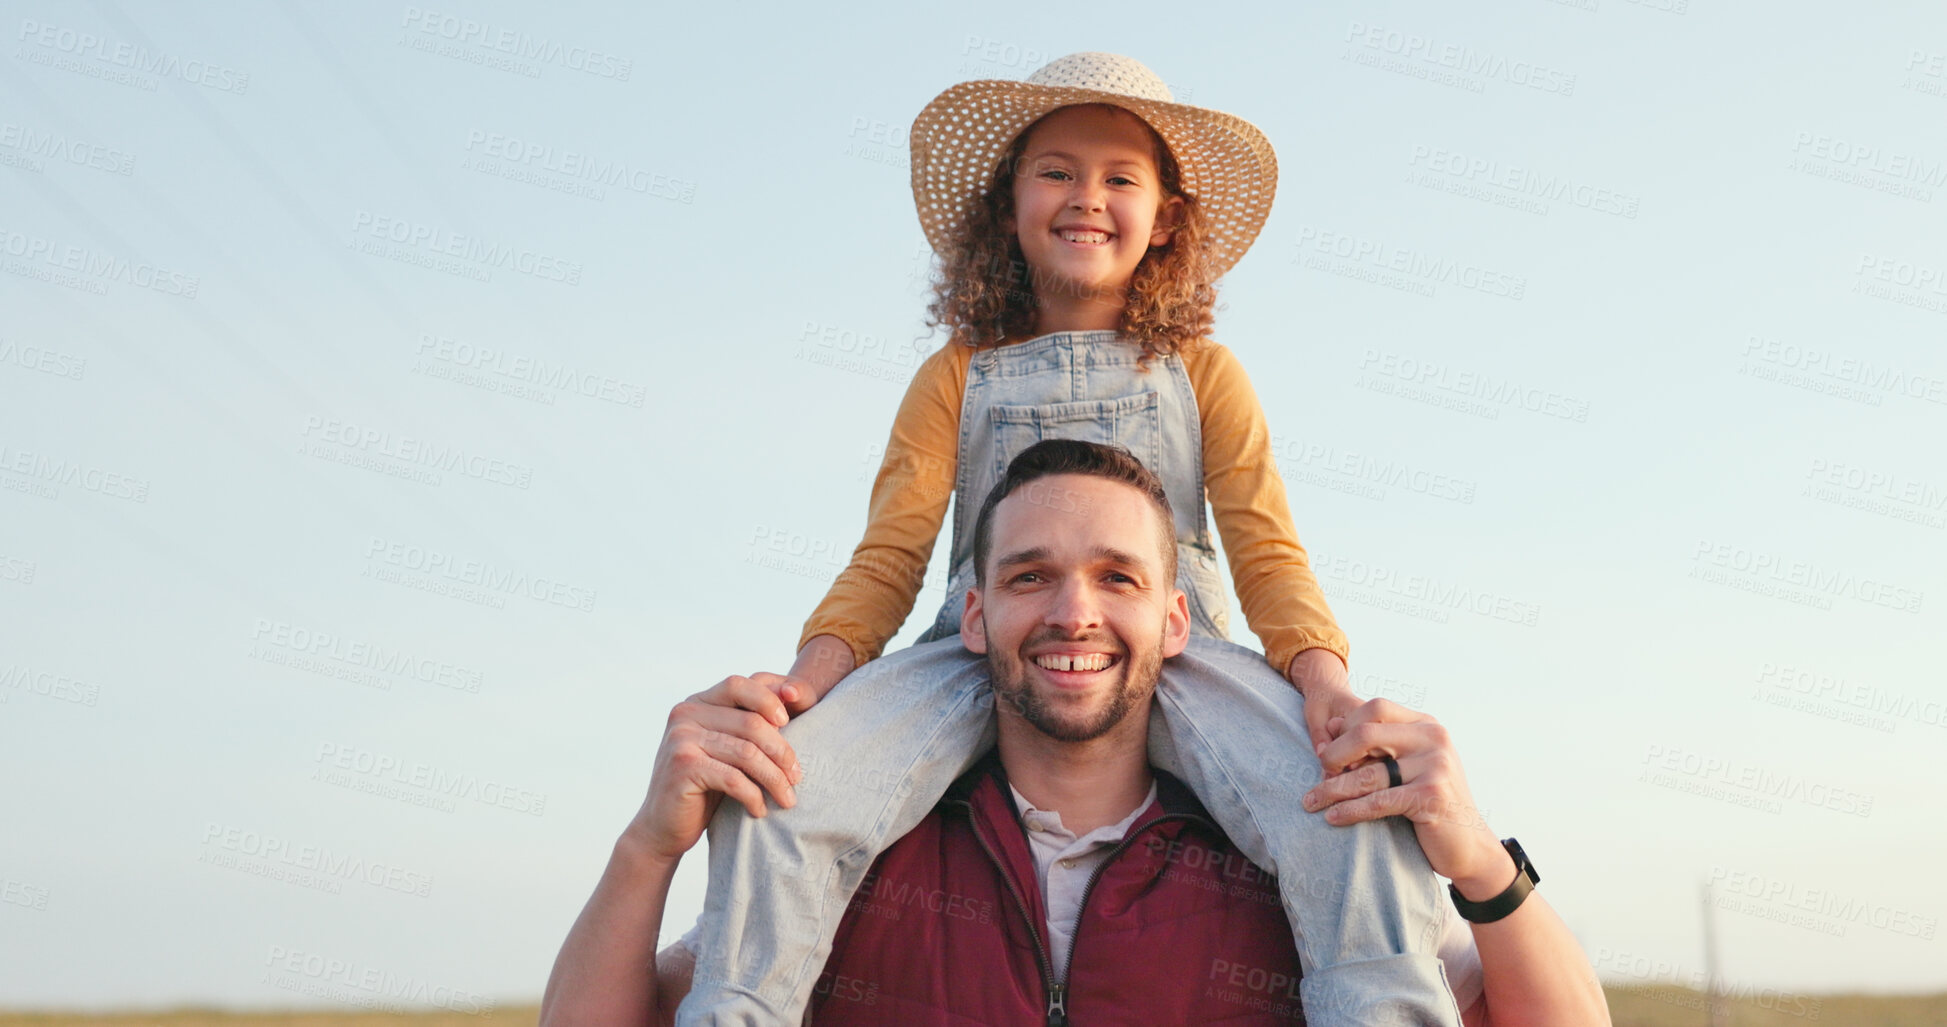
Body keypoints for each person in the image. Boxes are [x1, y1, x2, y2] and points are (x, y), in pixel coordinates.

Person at [687, 52, 1456, 1024]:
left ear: (1166, 217)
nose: (1085, 197)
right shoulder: (956, 376)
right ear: (1008, 206)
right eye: (1055, 171)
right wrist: (807, 686)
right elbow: (890, 555)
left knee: (1344, 809)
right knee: (788, 796)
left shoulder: (1201, 373)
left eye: (1119, 178)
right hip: (983, 648)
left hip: (1181, 648)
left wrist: (1324, 683)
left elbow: (1267, 545)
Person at [540, 441, 1611, 1026]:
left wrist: (1478, 861)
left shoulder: (1299, 860)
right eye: (1028, 575)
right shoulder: (850, 857)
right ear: (973, 616)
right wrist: (648, 848)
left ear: (1178, 622)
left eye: (1118, 577)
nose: (1074, 612)